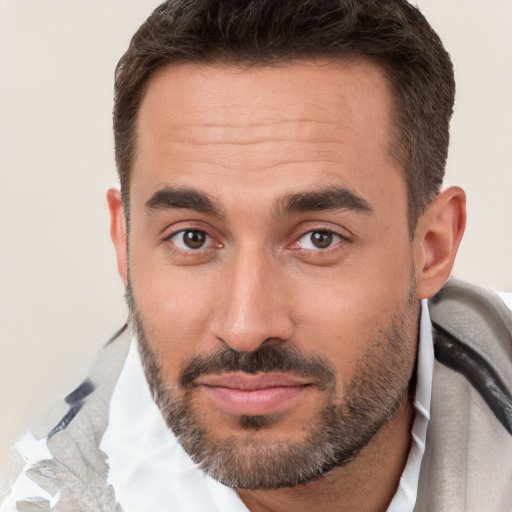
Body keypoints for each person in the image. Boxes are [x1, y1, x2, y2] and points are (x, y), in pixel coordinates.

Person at [2, 0, 511, 511]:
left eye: (319, 239)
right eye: (192, 238)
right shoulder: (54, 494)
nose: (246, 327)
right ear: (126, 244)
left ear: (432, 248)